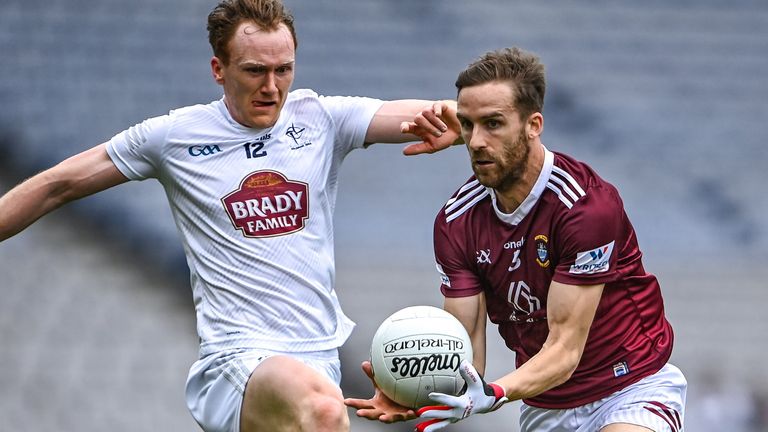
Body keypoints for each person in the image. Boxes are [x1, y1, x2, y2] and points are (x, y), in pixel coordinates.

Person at [0, 1, 460, 431]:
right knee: (324, 409)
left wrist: (474, 124)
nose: (272, 86)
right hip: (235, 359)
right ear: (219, 70)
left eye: (284, 70)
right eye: (255, 71)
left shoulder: (319, 117)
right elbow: (56, 184)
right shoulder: (174, 137)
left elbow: (428, 115)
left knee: (321, 405)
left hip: (318, 356)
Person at [345, 47, 687, 432]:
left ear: (533, 124)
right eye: (468, 124)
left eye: (493, 124)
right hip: (545, 406)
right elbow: (465, 352)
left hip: (630, 387)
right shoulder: (456, 222)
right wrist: (420, 391)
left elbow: (564, 350)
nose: (475, 142)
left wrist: (493, 393)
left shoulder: (585, 207)